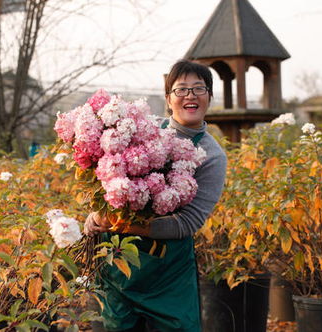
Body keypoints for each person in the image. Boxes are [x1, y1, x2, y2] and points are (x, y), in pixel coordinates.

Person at [84, 60, 227, 332]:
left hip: (168, 275)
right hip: (119, 266)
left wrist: (124, 224)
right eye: (181, 89)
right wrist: (96, 214)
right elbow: (103, 184)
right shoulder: (140, 132)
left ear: (209, 96)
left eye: (199, 88)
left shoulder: (212, 156)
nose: (190, 96)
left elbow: (187, 223)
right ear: (168, 99)